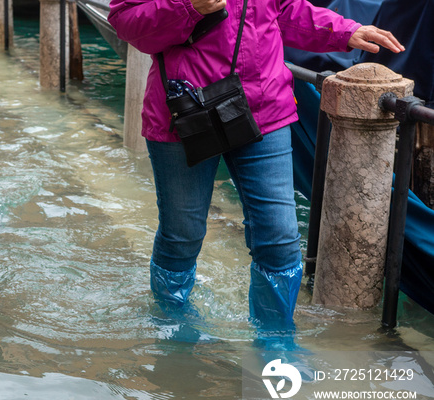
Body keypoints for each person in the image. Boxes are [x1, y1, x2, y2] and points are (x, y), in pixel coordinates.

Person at [108, 0, 404, 347]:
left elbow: (284, 9)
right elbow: (126, 22)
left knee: (279, 237)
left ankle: (276, 339)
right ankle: (173, 322)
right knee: (182, 233)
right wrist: (189, 8)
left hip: (264, 108)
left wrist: (345, 30)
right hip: (184, 113)